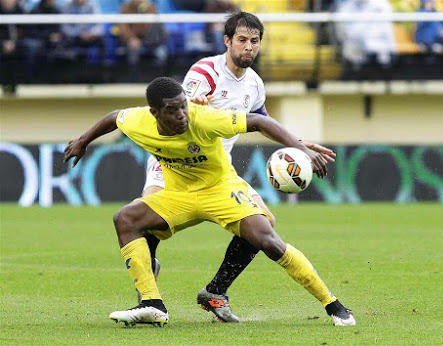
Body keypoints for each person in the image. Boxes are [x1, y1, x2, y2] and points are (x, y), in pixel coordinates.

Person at [64, 76, 356, 327]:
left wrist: (301, 147)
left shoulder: (203, 118)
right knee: (125, 219)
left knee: (267, 238)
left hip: (220, 190)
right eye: (172, 110)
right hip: (178, 195)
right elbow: (114, 116)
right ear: (154, 112)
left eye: (183, 105)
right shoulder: (138, 121)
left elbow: (256, 121)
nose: (182, 114)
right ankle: (152, 304)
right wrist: (83, 140)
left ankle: (333, 304)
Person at [141, 12, 336, 323]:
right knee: (148, 220)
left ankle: (216, 291)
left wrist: (298, 144)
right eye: (242, 40)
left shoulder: (255, 84)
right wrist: (195, 104)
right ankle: (147, 294)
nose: (249, 47)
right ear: (227, 41)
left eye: (254, 41)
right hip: (175, 163)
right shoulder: (205, 72)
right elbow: (180, 107)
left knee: (265, 223)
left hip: (217, 172)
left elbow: (263, 122)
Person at [118, 0, 168, 81]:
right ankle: (134, 80)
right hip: (133, 40)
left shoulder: (150, 7)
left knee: (162, 53)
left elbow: (153, 27)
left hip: (151, 41)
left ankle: (161, 81)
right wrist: (131, 38)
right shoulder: (125, 7)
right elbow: (123, 26)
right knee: (133, 52)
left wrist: (143, 9)